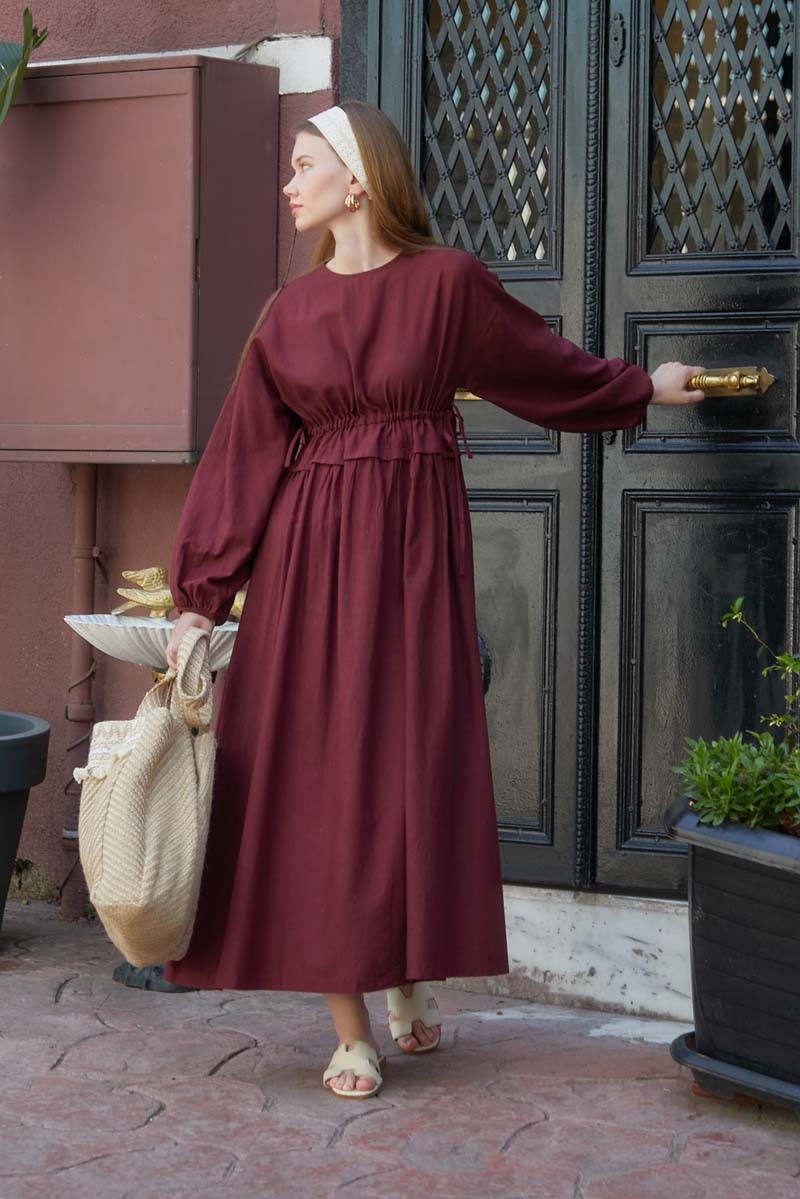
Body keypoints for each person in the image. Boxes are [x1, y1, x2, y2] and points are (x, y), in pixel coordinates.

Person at [163, 100, 705, 1099]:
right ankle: (349, 1025)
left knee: (410, 765)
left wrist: (644, 387)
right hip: (308, 573)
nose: (289, 183)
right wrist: (201, 594)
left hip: (412, 567)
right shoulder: (288, 313)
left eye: (304, 165)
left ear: (359, 177)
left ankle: (405, 970)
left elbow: (540, 367)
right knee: (323, 780)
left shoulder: (446, 284)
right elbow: (243, 454)